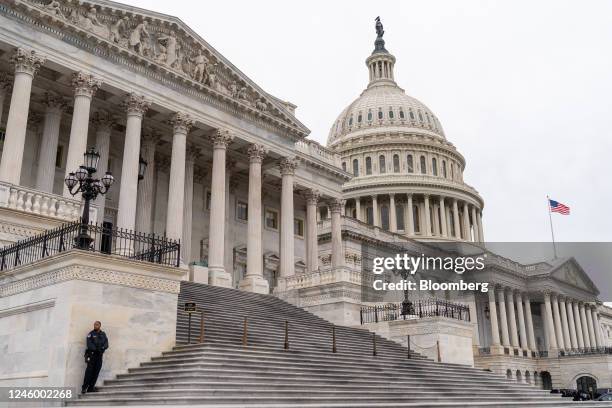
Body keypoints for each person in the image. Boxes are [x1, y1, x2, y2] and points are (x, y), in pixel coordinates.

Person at [81, 321, 109, 394]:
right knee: (89, 372)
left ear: (100, 325)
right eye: (94, 325)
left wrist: (103, 348)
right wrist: (96, 349)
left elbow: (106, 343)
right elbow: (89, 344)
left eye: (97, 325)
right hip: (92, 355)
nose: (95, 326)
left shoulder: (103, 334)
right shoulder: (91, 334)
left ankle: (91, 388)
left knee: (96, 372)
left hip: (99, 356)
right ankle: (84, 388)